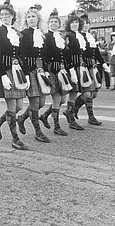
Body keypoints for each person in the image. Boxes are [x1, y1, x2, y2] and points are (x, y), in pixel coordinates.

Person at [0, 0, 29, 150]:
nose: (5, 16)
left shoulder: (17, 33)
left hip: (17, 71)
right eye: (2, 14)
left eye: (7, 14)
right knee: (12, 106)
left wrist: (25, 73)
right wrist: (2, 74)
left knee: (19, 105)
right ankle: (15, 138)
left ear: (13, 16)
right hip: (6, 71)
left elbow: (22, 54)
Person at [16, 4, 51, 143]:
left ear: (38, 18)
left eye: (33, 16)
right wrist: (25, 73)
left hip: (41, 68)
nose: (31, 19)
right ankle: (38, 132)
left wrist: (46, 70)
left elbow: (46, 54)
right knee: (35, 103)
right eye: (28, 17)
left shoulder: (42, 34)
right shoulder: (24, 34)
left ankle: (22, 118)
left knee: (42, 102)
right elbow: (22, 55)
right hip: (30, 69)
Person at [73, 13, 110, 126]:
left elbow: (96, 52)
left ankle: (80, 111)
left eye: (87, 23)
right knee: (87, 93)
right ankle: (74, 110)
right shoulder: (78, 36)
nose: (85, 25)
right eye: (83, 24)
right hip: (83, 67)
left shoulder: (90, 36)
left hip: (92, 66)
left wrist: (103, 64)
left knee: (94, 93)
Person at [39, 8, 69, 136]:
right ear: (48, 24)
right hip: (51, 70)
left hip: (61, 69)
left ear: (59, 24)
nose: (53, 24)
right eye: (51, 22)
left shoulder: (61, 37)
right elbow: (44, 55)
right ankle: (56, 126)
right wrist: (46, 70)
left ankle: (45, 115)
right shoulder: (46, 37)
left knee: (63, 99)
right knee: (57, 98)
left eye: (56, 22)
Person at [62, 11, 87, 130]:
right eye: (72, 23)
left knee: (86, 93)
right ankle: (71, 119)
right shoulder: (69, 36)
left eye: (76, 22)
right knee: (73, 94)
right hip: (73, 67)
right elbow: (67, 54)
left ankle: (69, 112)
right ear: (69, 25)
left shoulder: (81, 35)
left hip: (81, 66)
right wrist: (71, 70)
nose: (75, 24)